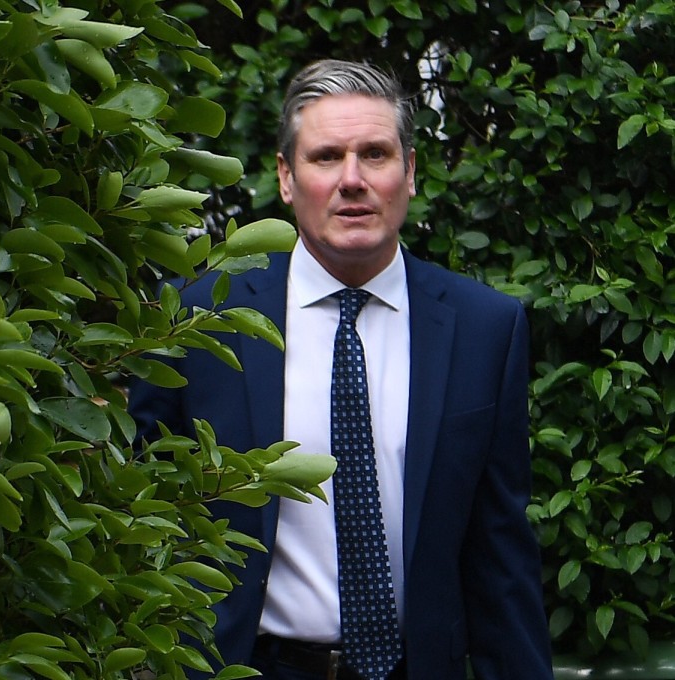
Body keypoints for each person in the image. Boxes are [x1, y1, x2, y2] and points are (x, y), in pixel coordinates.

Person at [127, 59, 554, 680]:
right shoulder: (197, 320)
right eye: (326, 157)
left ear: (409, 173)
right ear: (286, 178)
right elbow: (147, 519)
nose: (352, 180)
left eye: (375, 155)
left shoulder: (484, 329)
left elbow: (501, 558)